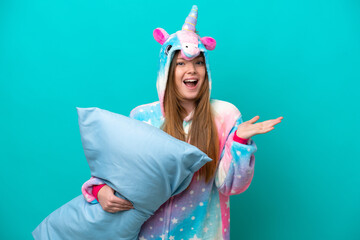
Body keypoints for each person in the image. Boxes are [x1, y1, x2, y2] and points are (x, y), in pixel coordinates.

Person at [81, 5, 283, 240]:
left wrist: (239, 141)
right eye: (181, 63)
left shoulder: (225, 115)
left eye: (199, 63)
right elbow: (117, 174)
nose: (192, 70)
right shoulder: (142, 117)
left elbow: (231, 186)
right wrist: (100, 190)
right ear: (166, 70)